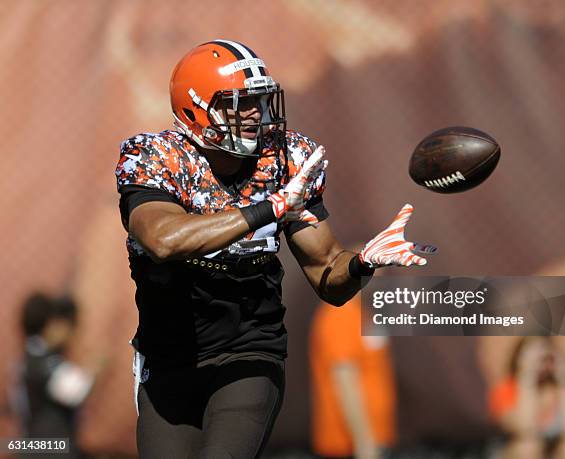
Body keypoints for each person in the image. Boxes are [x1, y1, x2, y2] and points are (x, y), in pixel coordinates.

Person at [115, 39, 432, 459]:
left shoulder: (284, 158)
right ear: (196, 109)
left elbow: (328, 278)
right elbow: (163, 239)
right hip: (169, 360)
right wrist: (271, 208)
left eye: (259, 101)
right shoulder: (156, 157)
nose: (254, 114)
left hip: (248, 352)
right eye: (238, 103)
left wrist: (360, 263)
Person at [310, 294, 396, 459]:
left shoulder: (362, 311)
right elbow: (344, 381)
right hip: (349, 448)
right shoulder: (340, 314)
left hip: (374, 443)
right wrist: (364, 442)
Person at [12, 293, 94, 459]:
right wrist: (94, 369)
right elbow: (74, 390)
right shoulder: (41, 361)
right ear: (48, 325)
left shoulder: (28, 357)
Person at [489, 336, 565, 459]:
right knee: (527, 447)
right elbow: (523, 428)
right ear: (518, 358)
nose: (540, 362)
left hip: (557, 449)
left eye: (545, 355)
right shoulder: (507, 388)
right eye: (533, 356)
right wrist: (527, 378)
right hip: (515, 449)